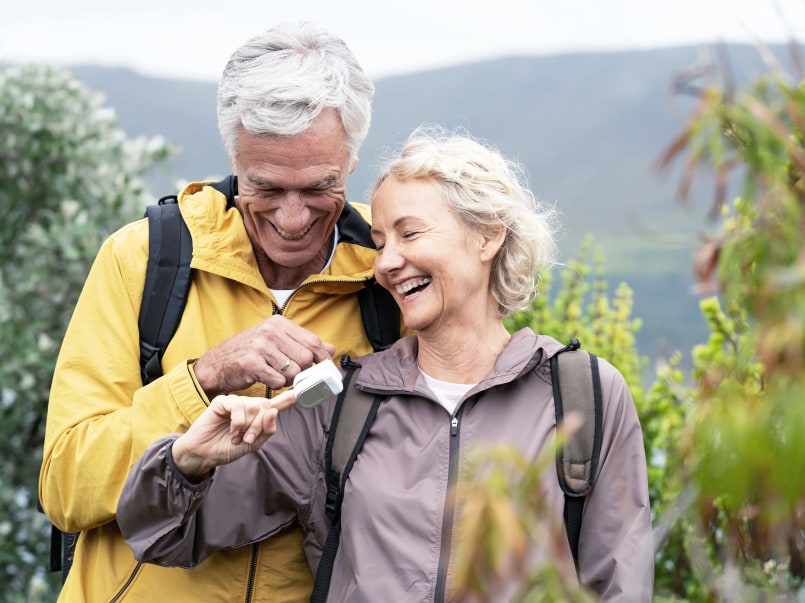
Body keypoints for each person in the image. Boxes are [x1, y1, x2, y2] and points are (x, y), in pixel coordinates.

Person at [116, 126, 655, 601]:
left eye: (410, 234)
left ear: (488, 235)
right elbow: (165, 536)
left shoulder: (582, 394)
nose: (387, 263)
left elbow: (619, 582)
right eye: (379, 242)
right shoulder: (340, 404)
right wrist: (186, 461)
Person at [38, 21, 406, 602]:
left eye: (319, 186)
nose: (292, 218)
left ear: (353, 158)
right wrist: (202, 379)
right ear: (232, 155)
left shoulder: (395, 272)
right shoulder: (143, 259)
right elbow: (65, 486)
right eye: (264, 187)